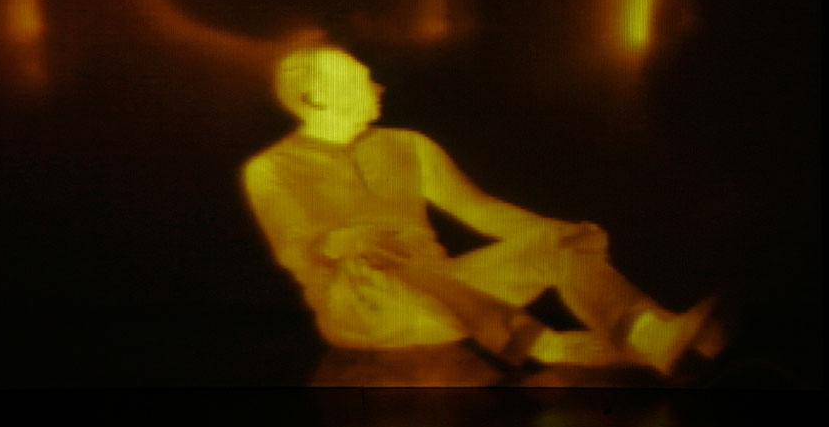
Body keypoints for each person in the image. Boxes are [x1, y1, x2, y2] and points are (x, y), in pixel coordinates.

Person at [241, 45, 724, 374]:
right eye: (358, 79)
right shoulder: (270, 168)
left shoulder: (408, 145)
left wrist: (559, 231)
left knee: (557, 248)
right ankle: (546, 345)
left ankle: (648, 333)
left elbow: (480, 210)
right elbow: (294, 251)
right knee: (379, 263)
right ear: (314, 97)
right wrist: (338, 242)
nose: (376, 86)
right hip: (366, 310)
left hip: (446, 291)